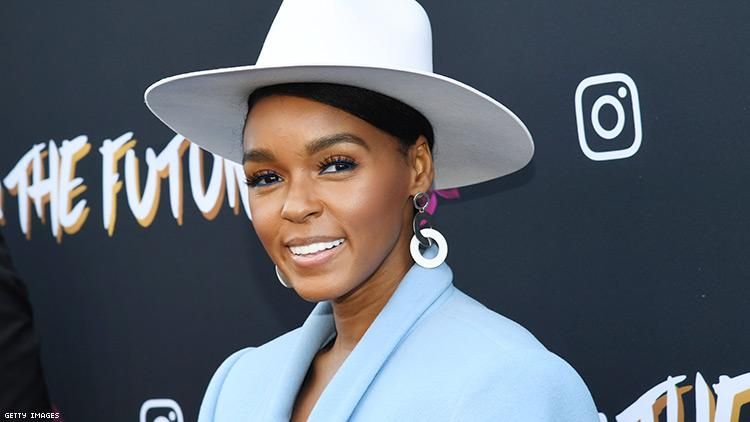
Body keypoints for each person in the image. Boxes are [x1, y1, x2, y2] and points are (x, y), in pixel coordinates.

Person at [144, 0, 600, 420]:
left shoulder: (509, 383)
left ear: (418, 168)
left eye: (336, 165)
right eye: (266, 177)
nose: (296, 206)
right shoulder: (238, 386)